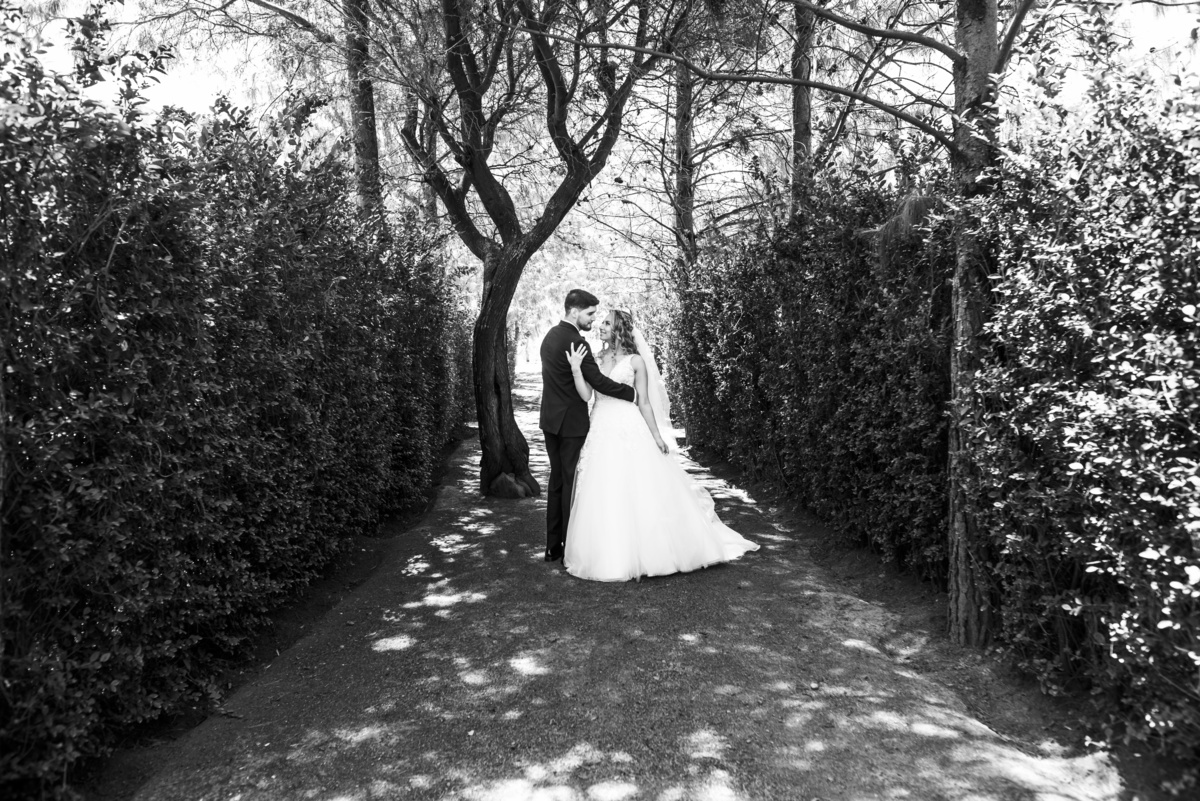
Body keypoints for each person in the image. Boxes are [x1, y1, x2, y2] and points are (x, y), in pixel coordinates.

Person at [563, 309, 759, 581]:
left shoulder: (636, 362)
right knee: (603, 488)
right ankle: (607, 555)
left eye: (607, 322)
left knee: (638, 487)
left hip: (627, 426)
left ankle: (654, 552)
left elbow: (643, 402)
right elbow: (587, 395)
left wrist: (656, 436)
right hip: (600, 428)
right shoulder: (597, 358)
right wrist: (575, 369)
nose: (601, 326)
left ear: (619, 328)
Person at [539, 290, 638, 563]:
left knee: (557, 481)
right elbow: (598, 381)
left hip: (550, 420)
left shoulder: (550, 337)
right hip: (571, 424)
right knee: (571, 484)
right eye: (590, 314)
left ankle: (552, 547)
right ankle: (570, 546)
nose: (593, 320)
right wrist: (632, 395)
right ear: (575, 312)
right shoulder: (576, 342)